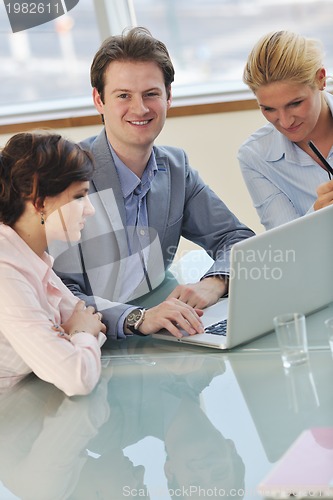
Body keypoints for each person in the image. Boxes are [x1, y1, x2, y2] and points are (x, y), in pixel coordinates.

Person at [55, 26, 255, 340]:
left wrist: (215, 281)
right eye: (123, 95)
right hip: (92, 342)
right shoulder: (67, 176)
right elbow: (57, 292)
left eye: (151, 94)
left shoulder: (176, 168)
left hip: (166, 331)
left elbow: (237, 238)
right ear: (99, 100)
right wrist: (137, 318)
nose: (140, 108)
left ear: (168, 97)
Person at [0, 132, 107, 396]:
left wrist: (75, 332)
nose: (90, 209)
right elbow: (77, 378)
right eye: (79, 196)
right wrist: (78, 332)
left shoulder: (32, 257)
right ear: (39, 201)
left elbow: (96, 324)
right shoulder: (5, 269)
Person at [238, 30, 333, 230]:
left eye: (295, 103)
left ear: (321, 79)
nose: (285, 121)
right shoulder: (255, 156)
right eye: (269, 109)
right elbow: (285, 246)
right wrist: (318, 215)